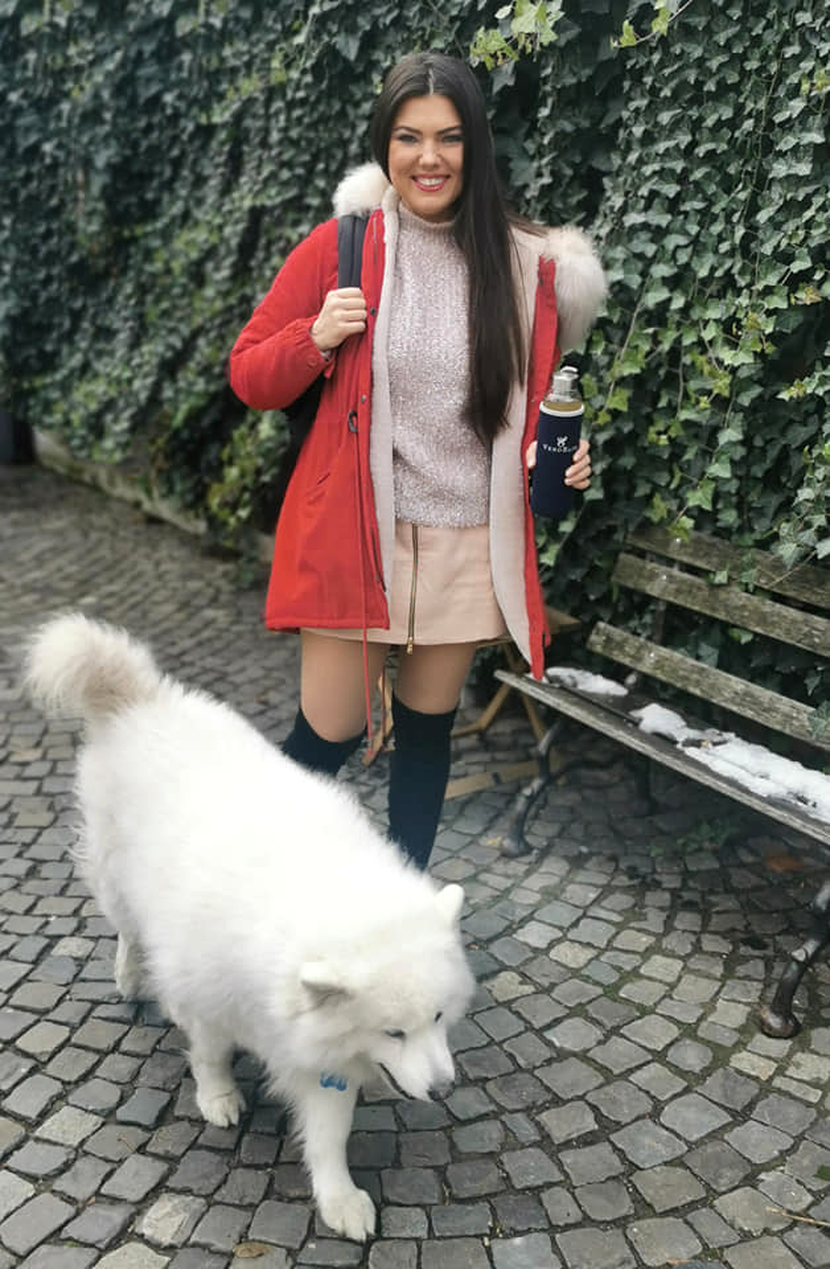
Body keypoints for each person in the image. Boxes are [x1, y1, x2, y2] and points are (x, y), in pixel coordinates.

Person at [229, 51, 607, 870]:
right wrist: (314, 337)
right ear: (385, 145)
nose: (428, 157)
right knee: (326, 736)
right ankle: (243, 887)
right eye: (408, 137)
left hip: (467, 538)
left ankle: (401, 908)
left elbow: (534, 415)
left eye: (449, 136)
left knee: (428, 732)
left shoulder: (526, 266)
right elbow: (249, 373)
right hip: (358, 532)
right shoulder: (342, 246)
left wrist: (561, 460)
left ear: (476, 146)